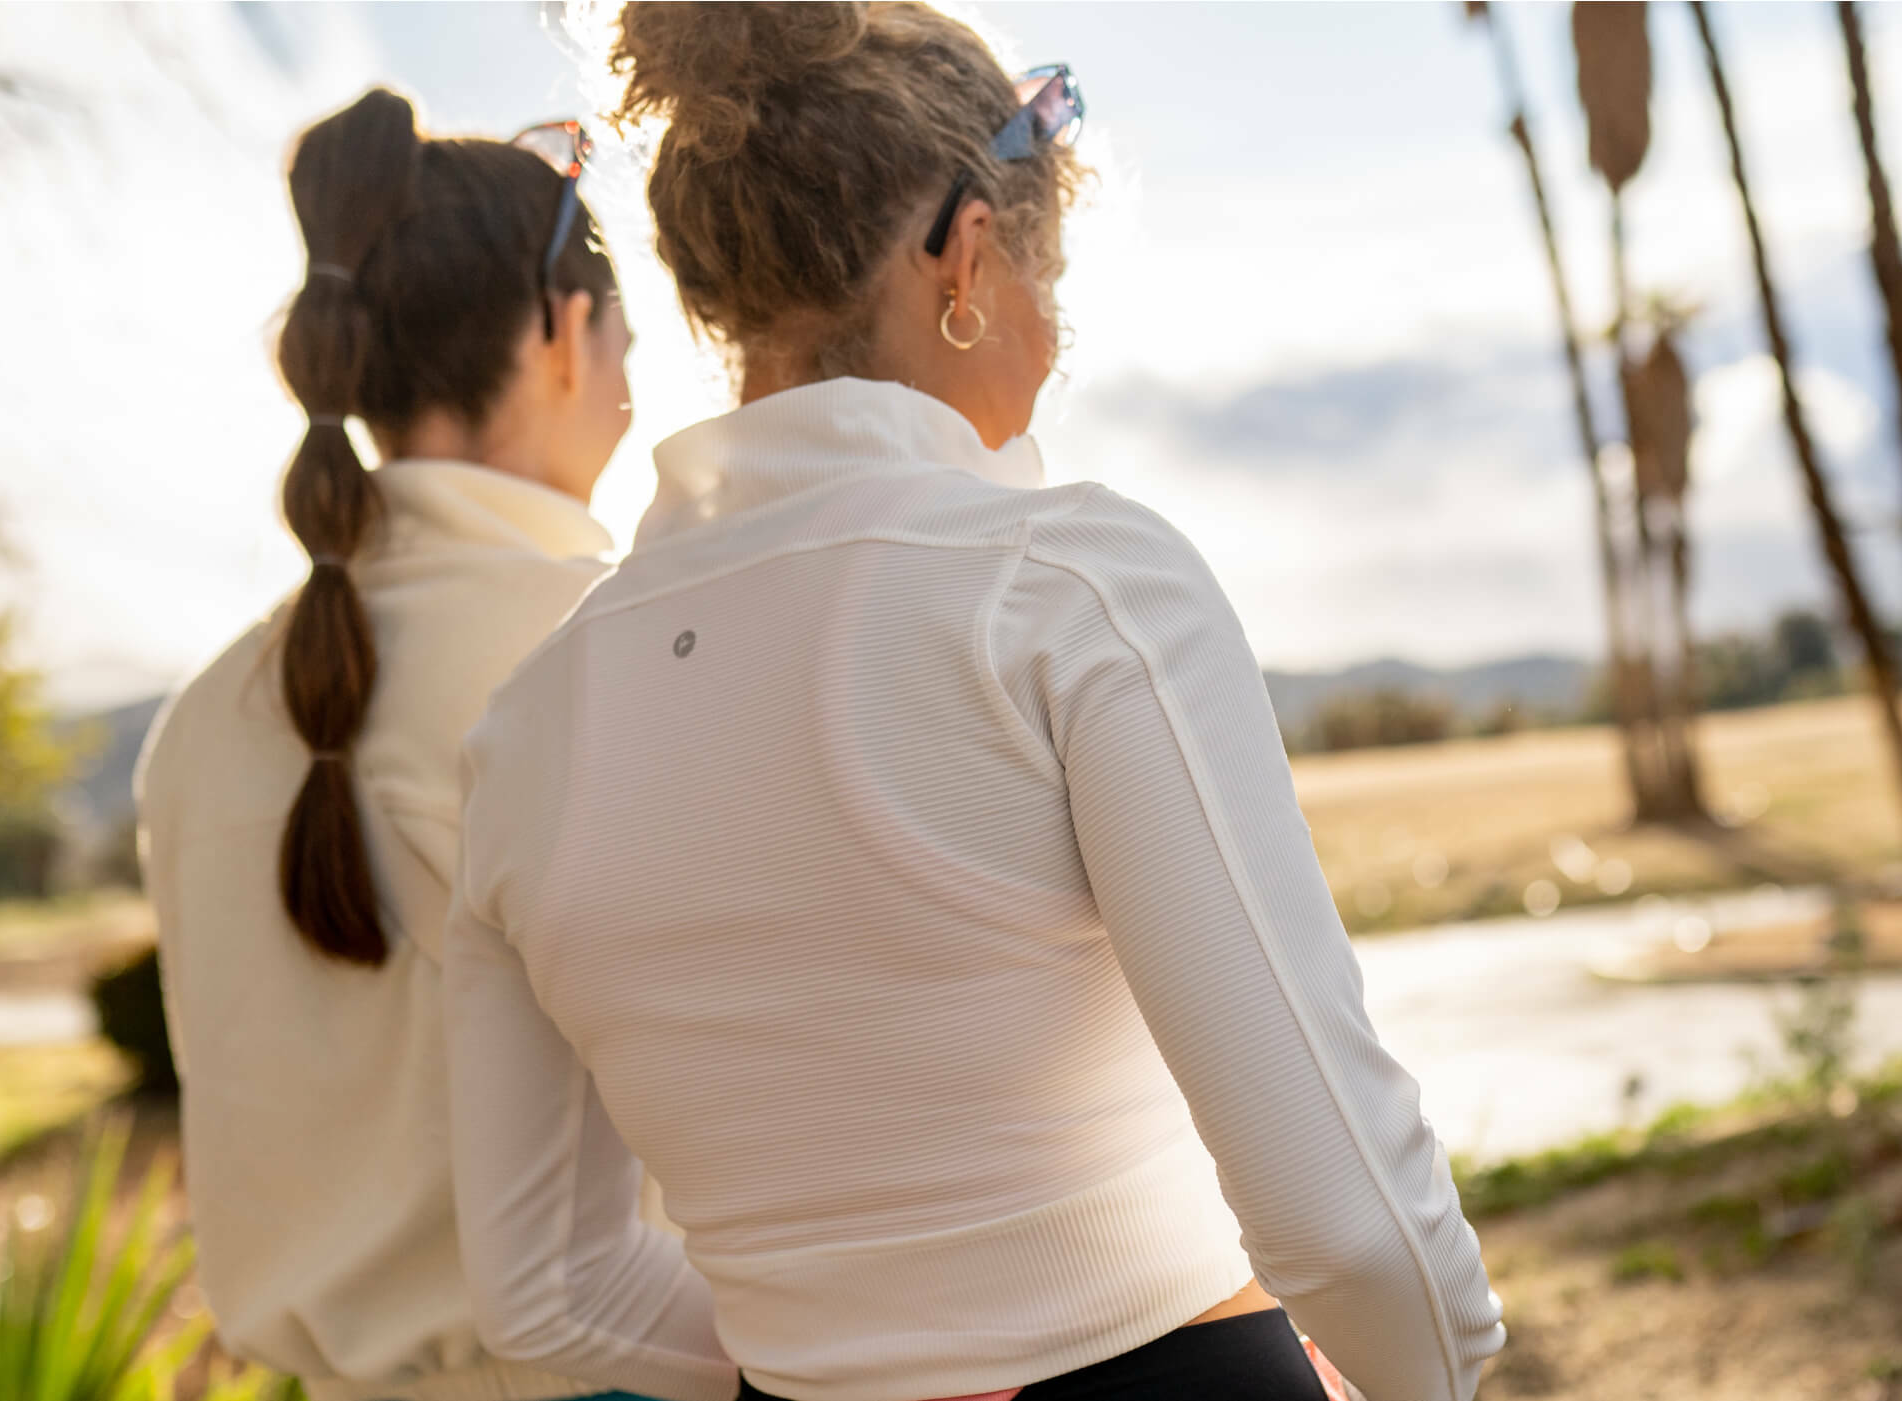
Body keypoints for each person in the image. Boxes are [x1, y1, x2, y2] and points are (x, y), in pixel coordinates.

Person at [440, 7, 1505, 1400]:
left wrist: (855, 1349)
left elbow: (550, 1290)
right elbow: (1354, 1224)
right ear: (968, 255)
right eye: (1047, 276)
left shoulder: (525, 731)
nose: (1050, 343)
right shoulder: (1068, 588)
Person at [136, 89, 735, 1401]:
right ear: (565, 332)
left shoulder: (197, 724)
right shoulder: (624, 653)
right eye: (628, 343)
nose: (632, 397)